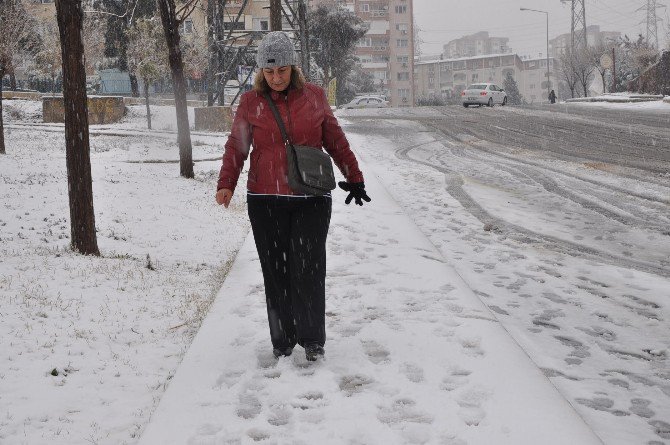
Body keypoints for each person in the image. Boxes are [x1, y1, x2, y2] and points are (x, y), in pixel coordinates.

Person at [215, 31, 370, 362]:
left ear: (293, 67)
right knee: (276, 271)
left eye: (282, 70)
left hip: (310, 197)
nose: (276, 78)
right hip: (264, 198)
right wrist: (226, 181)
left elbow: (335, 139)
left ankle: (313, 340)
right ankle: (283, 341)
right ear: (261, 72)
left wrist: (354, 177)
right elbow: (237, 145)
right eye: (269, 72)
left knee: (309, 269)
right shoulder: (251, 103)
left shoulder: (314, 97)